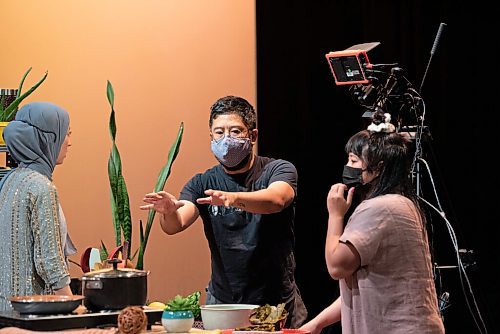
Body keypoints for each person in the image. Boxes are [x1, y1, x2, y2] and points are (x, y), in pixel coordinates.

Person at [141, 95, 307, 328]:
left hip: (276, 302)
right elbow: (176, 223)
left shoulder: (277, 169)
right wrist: (168, 211)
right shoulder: (202, 182)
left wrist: (233, 198)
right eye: (219, 133)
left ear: (253, 136)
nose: (226, 139)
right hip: (224, 302)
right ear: (211, 137)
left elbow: (277, 199)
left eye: (235, 131)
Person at [300, 112, 444, 333]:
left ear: (377, 168)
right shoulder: (402, 203)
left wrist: (336, 215)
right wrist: (316, 324)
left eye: (354, 161)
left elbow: (337, 266)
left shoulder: (378, 208)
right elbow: (366, 288)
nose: (348, 166)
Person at [0, 102, 76, 312]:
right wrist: (72, 307)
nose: (69, 143)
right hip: (35, 314)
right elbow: (49, 261)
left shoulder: (9, 181)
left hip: (6, 311)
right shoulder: (42, 187)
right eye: (66, 134)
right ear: (48, 138)